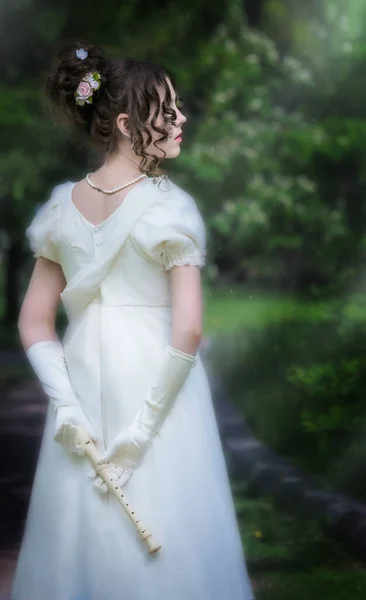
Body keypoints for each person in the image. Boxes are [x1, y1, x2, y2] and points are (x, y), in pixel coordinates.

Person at [11, 39, 255, 600]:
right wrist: (140, 435)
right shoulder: (171, 208)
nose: (181, 119)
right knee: (170, 528)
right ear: (126, 122)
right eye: (167, 109)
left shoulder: (60, 207)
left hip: (82, 378)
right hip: (156, 384)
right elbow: (189, 330)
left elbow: (34, 321)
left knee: (78, 532)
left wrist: (65, 403)